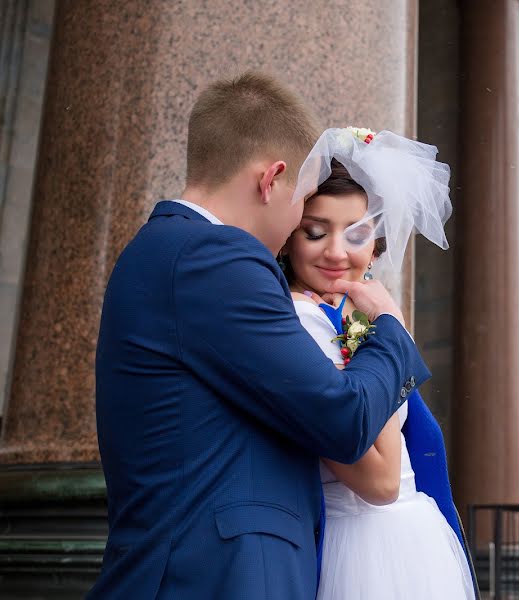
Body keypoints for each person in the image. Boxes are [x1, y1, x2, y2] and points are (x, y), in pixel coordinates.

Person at [89, 73, 429, 600]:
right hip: (216, 578)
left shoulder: (167, 250)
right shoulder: (215, 258)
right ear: (271, 180)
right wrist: (389, 329)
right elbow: (344, 420)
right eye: (306, 199)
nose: (300, 220)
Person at [280, 127, 478, 599]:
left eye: (357, 233)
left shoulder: (358, 311)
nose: (336, 251)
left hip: (418, 541)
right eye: (315, 231)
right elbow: (381, 480)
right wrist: (387, 329)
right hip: (354, 547)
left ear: (376, 243)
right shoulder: (296, 321)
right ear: (287, 239)